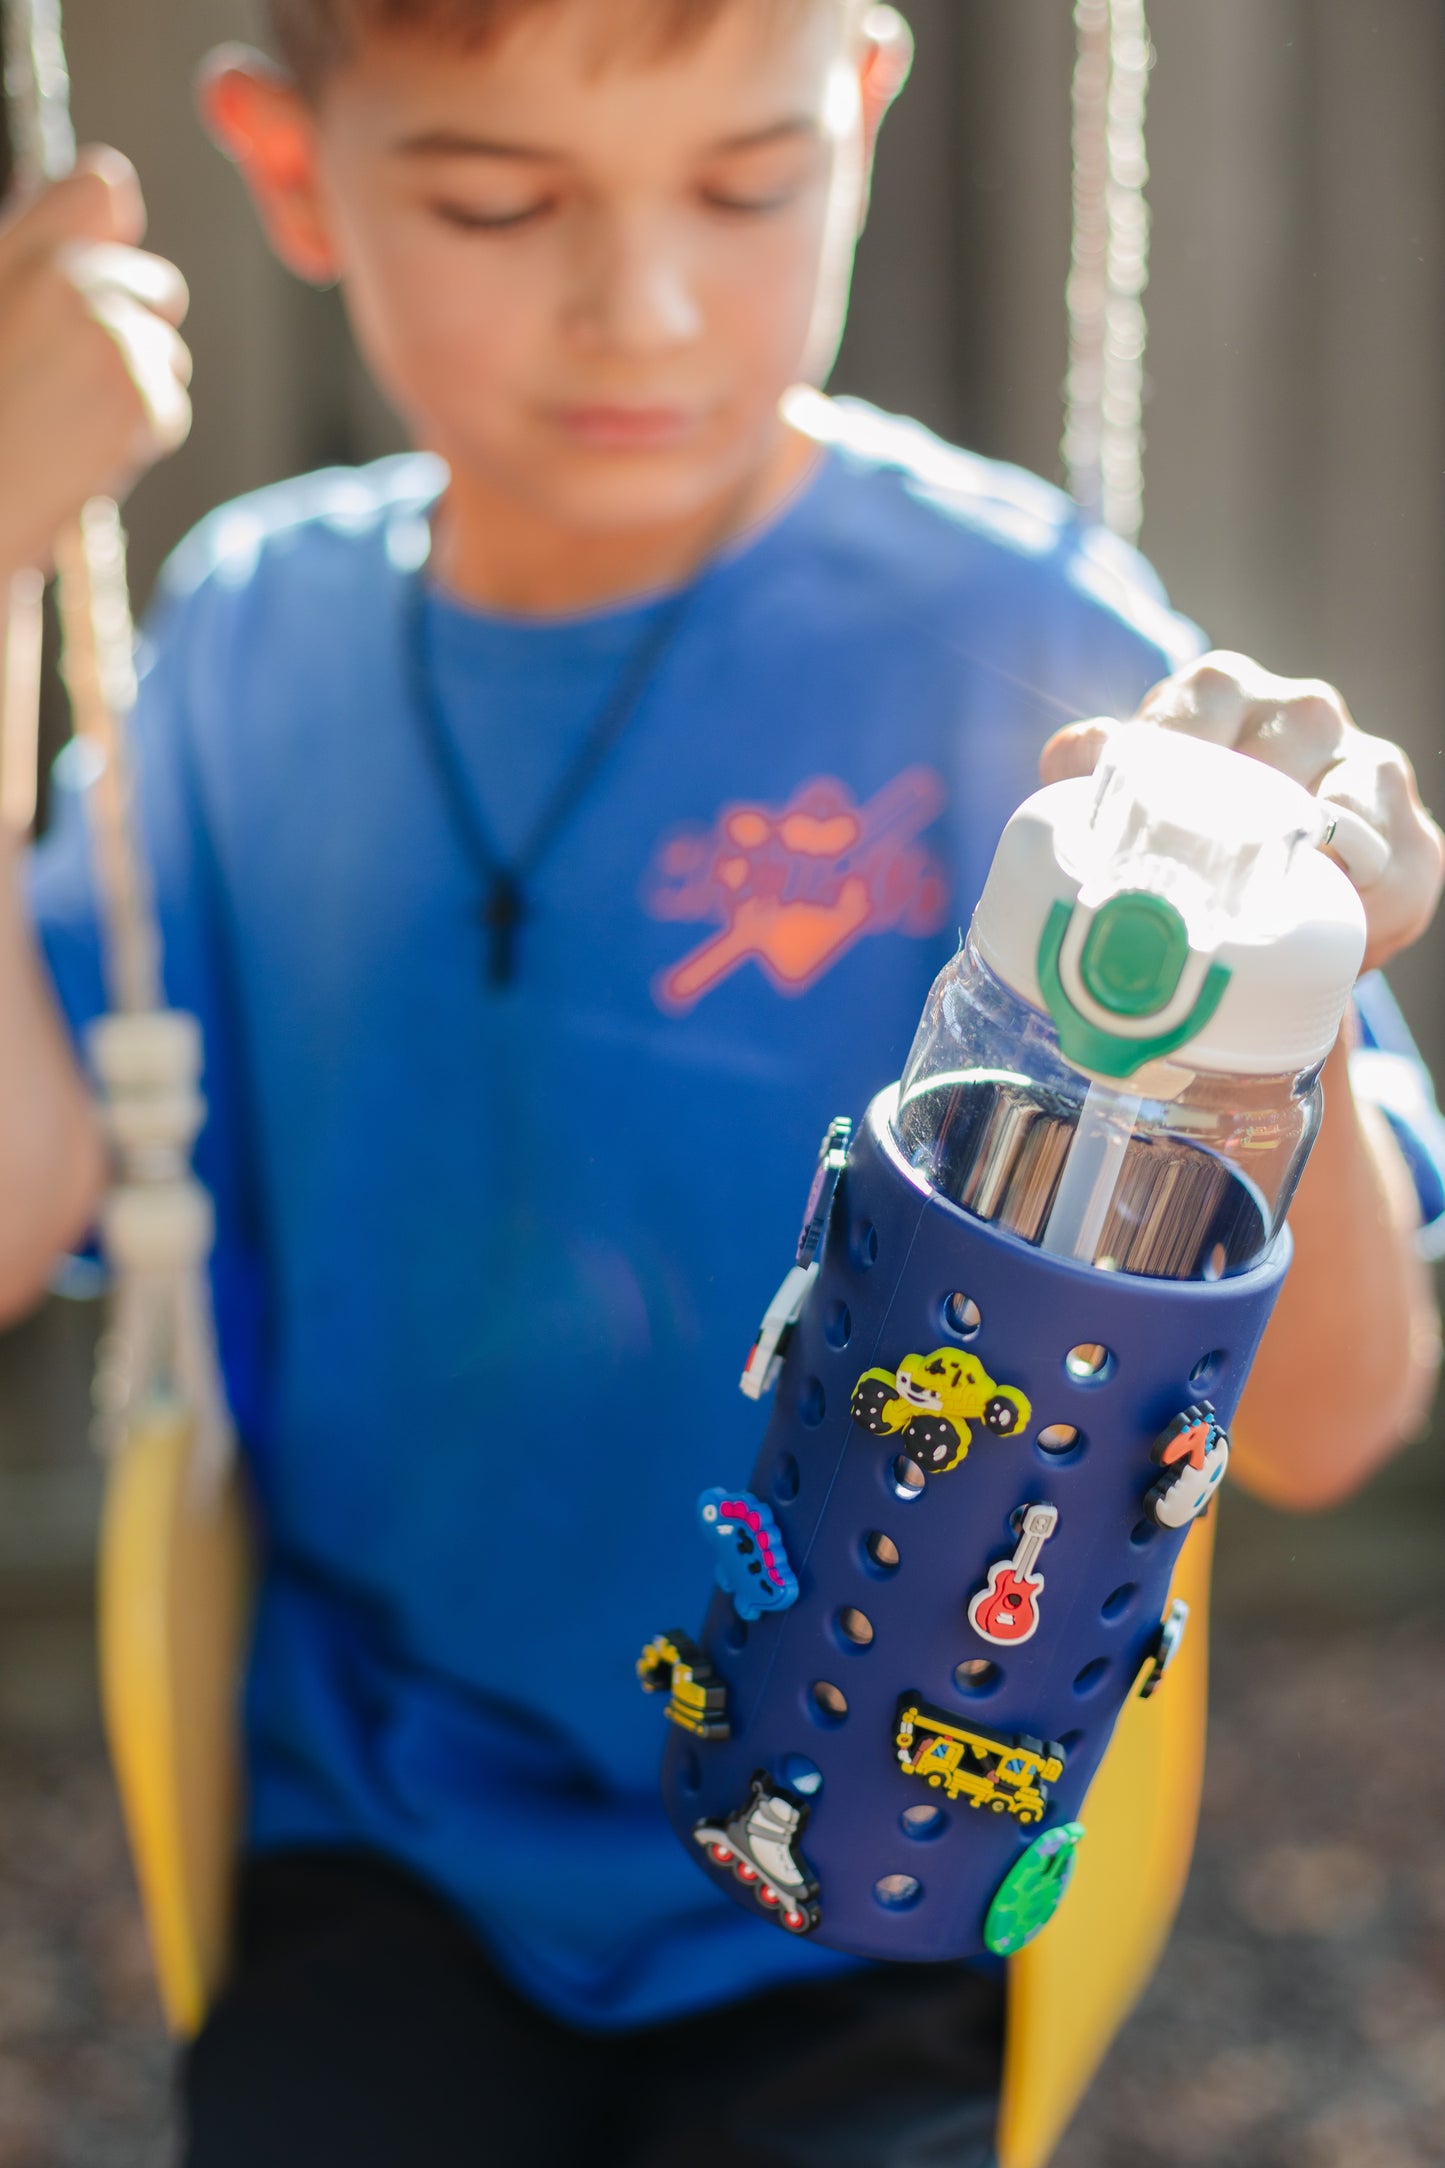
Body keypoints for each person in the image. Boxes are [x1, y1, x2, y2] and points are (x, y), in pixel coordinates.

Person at [0, 3, 1441, 2162]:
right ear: (290, 172)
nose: (644, 303)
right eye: (499, 199)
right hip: (391, 1853)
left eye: (748, 185)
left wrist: (1278, 989)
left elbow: (1331, 1427)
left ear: (861, 113)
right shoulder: (251, 645)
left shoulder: (1017, 651)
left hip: (876, 1863)